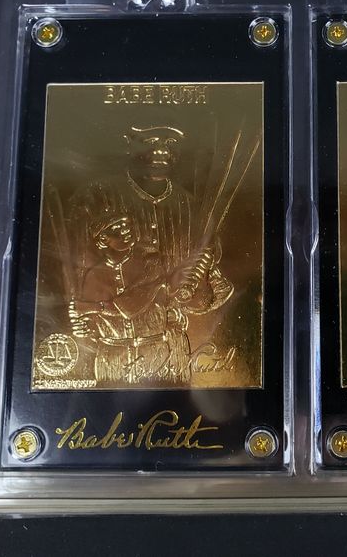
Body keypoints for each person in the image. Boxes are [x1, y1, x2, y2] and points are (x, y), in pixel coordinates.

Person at [67, 118, 233, 385]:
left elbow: (209, 290)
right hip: (113, 345)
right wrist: (81, 316)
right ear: (128, 143)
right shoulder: (95, 196)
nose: (162, 150)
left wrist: (197, 284)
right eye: (150, 140)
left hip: (171, 346)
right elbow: (76, 273)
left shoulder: (191, 208)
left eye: (171, 142)